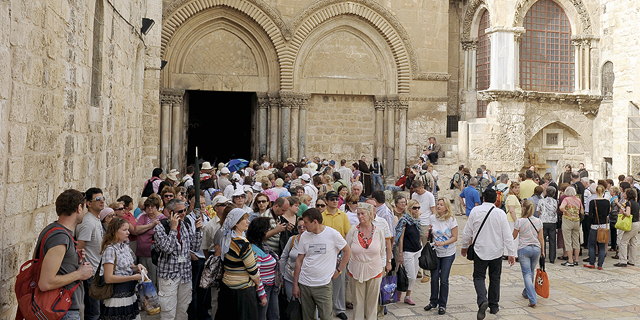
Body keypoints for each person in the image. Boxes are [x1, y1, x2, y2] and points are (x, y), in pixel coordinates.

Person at [36, 189, 93, 320]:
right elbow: (46, 283)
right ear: (79, 208)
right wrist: (80, 274)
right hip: (62, 310)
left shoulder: (52, 230)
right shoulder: (60, 237)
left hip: (62, 307)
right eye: (84, 207)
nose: (85, 212)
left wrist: (73, 259)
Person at [460, 187, 516, 319]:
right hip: (496, 251)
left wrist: (464, 246)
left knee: (479, 277)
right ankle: (494, 305)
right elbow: (507, 235)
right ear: (496, 200)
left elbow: (467, 231)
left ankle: (482, 299)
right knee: (495, 278)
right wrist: (511, 253)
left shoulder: (475, 211)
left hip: (480, 250)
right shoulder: (500, 213)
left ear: (483, 198)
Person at [293, 208, 351, 320]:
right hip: (305, 284)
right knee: (307, 317)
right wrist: (296, 284)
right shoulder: (305, 236)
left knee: (326, 316)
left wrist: (339, 270)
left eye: (306, 222)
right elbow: (299, 260)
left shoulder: (333, 234)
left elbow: (347, 251)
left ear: (315, 222)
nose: (303, 225)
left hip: (323, 285)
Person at [153, 199, 203, 320]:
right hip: (169, 275)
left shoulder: (185, 225)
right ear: (170, 212)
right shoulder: (160, 227)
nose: (183, 213)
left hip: (185, 275)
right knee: (168, 311)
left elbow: (194, 247)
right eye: (180, 211)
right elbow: (167, 249)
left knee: (183, 310)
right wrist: (173, 229)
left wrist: (198, 230)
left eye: (185, 210)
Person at [216, 208, 267, 320]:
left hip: (227, 288)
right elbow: (253, 270)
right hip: (242, 292)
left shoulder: (226, 239)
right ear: (236, 223)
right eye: (245, 219)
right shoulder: (242, 243)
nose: (248, 221)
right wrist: (259, 287)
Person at [100, 218, 146, 320]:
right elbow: (108, 278)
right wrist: (132, 278)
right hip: (117, 296)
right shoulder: (110, 250)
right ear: (115, 231)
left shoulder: (124, 246)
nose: (128, 232)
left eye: (128, 229)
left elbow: (130, 266)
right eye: (125, 230)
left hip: (130, 293)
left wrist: (138, 267)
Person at [345, 202, 385, 320]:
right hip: (356, 269)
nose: (360, 216)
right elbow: (347, 249)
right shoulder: (353, 231)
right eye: (358, 214)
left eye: (363, 213)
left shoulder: (379, 232)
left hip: (375, 269)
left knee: (372, 302)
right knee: (358, 302)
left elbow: (381, 251)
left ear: (370, 215)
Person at [422, 197, 457, 315]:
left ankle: (442, 304)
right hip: (435, 252)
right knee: (434, 277)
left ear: (447, 207)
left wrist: (443, 243)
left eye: (441, 204)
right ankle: (433, 301)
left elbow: (455, 237)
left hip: (448, 253)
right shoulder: (432, 218)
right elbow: (430, 233)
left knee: (444, 279)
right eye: (438, 204)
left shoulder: (451, 220)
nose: (438, 206)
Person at [320, 191, 351, 320]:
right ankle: (324, 308)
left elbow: (346, 233)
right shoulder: (321, 216)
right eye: (331, 199)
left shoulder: (343, 215)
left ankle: (339, 308)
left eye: (336, 199)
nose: (334, 201)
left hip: (340, 252)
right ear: (326, 201)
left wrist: (340, 249)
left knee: (339, 281)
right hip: (325, 253)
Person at [76, 187, 106, 320]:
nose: (102, 202)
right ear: (88, 203)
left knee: (99, 311)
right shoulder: (88, 222)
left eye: (102, 198)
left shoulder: (96, 219)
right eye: (98, 199)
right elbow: (79, 247)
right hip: (91, 275)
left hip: (98, 272)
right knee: (93, 313)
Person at [247, 217, 280, 320]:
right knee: (261, 316)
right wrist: (262, 295)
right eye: (267, 230)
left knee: (274, 316)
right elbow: (256, 274)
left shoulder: (263, 246)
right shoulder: (255, 250)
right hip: (263, 288)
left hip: (271, 286)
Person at [512, 200, 544, 308]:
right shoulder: (539, 221)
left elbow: (514, 236)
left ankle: (532, 298)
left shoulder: (519, 221)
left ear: (523, 208)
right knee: (531, 271)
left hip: (524, 248)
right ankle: (526, 292)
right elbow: (541, 238)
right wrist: (543, 250)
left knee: (526, 273)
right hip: (536, 248)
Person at [395, 199, 422, 305]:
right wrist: (400, 253)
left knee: (414, 275)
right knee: (409, 275)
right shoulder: (404, 220)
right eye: (415, 208)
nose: (417, 210)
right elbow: (400, 238)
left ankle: (408, 295)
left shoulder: (417, 220)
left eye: (418, 208)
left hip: (417, 250)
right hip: (407, 251)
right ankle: (399, 290)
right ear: (409, 209)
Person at [135, 194, 164, 287]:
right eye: (147, 207)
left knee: (153, 279)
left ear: (157, 207)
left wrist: (145, 228)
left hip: (154, 255)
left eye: (152, 206)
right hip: (142, 253)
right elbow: (137, 230)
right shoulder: (143, 217)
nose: (150, 209)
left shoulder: (162, 219)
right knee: (144, 278)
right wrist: (151, 225)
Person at [280, 217, 306, 301]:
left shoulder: (313, 241)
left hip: (306, 281)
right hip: (289, 278)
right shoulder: (292, 239)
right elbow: (284, 257)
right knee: (292, 304)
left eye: (304, 227)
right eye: (299, 227)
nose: (302, 230)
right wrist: (282, 275)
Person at [585, 185, 609, 269]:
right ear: (603, 192)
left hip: (594, 225)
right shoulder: (607, 202)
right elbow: (607, 214)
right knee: (602, 245)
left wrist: (588, 225)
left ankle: (592, 262)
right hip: (604, 225)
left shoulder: (593, 202)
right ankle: (600, 265)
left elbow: (590, 215)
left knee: (591, 244)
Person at [615, 188, 640, 267]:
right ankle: (632, 260)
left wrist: (623, 209)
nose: (623, 195)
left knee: (623, 242)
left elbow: (628, 214)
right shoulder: (636, 203)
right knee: (633, 242)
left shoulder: (628, 203)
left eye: (625, 193)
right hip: (637, 223)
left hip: (631, 224)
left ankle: (623, 261)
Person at [559, 186, 583, 267]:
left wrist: (566, 211)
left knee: (568, 241)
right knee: (576, 241)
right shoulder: (578, 200)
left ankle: (570, 260)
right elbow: (582, 211)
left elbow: (561, 207)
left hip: (567, 220)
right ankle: (576, 259)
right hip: (576, 221)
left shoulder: (566, 199)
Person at [537, 186, 558, 263]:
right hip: (552, 222)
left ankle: (543, 255)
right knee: (552, 240)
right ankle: (552, 258)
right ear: (554, 194)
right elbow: (556, 210)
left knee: (542, 239)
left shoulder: (541, 201)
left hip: (543, 221)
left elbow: (538, 211)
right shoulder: (556, 201)